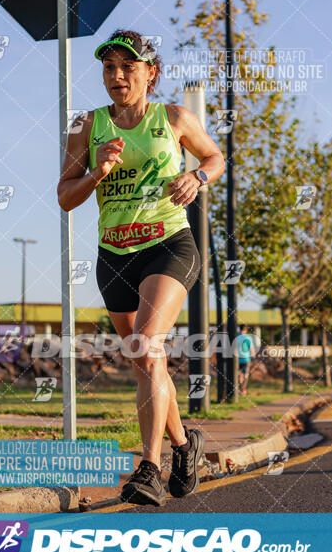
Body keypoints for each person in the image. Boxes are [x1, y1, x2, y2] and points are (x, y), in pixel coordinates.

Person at [57, 30, 225, 507]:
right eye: (109, 67)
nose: (116, 75)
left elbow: (216, 157)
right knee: (142, 361)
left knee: (149, 347)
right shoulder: (86, 126)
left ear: (150, 72)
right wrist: (95, 173)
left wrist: (196, 176)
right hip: (114, 254)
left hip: (168, 244)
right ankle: (183, 443)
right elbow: (65, 196)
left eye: (127, 67)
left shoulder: (173, 118)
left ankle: (148, 467)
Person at [237, 324, 255, 396]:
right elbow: (251, 348)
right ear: (246, 330)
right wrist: (253, 354)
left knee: (239, 375)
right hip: (246, 358)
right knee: (246, 374)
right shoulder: (248, 337)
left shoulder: (236, 337)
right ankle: (243, 389)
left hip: (237, 359)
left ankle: (240, 388)